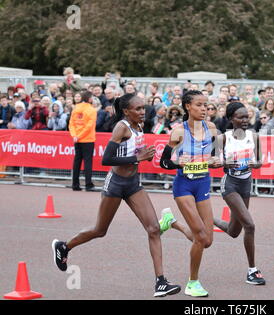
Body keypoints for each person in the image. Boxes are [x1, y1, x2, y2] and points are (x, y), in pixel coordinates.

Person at [51, 93, 181, 298]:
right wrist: (137, 157)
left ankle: (161, 282)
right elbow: (106, 159)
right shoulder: (122, 127)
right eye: (137, 109)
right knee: (100, 230)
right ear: (126, 111)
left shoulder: (139, 126)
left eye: (143, 108)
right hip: (116, 184)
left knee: (154, 228)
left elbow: (132, 155)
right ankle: (64, 246)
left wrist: (140, 158)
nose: (142, 112)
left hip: (133, 184)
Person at [159, 90, 222, 297]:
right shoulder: (179, 132)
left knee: (207, 241)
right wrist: (177, 162)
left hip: (203, 184)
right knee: (201, 237)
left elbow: (215, 154)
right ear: (188, 106)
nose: (204, 109)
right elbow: (164, 162)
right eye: (199, 105)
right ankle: (192, 283)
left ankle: (172, 223)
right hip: (184, 187)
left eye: (206, 105)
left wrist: (215, 160)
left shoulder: (211, 128)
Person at [213, 102, 265, 285]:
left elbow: (260, 160)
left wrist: (257, 164)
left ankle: (207, 217)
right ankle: (252, 271)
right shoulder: (223, 138)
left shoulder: (255, 136)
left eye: (247, 116)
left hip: (246, 184)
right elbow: (214, 160)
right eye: (240, 117)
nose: (245, 120)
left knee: (234, 231)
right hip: (230, 185)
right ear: (231, 119)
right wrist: (224, 163)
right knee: (249, 225)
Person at [68, 91, 97, 191]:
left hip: (77, 139)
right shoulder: (92, 110)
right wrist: (78, 136)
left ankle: (75, 184)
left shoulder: (76, 108)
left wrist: (75, 135)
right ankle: (88, 184)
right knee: (88, 162)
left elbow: (71, 123)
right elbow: (89, 127)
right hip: (87, 139)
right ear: (89, 99)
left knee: (77, 161)